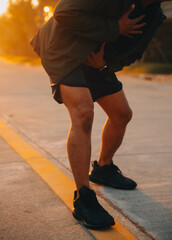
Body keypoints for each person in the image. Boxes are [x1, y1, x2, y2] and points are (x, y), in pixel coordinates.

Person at [30, 0, 167, 229]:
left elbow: (132, 52)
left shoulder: (154, 14)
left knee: (122, 114)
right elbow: (63, 12)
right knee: (83, 112)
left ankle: (103, 169)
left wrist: (103, 65)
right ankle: (84, 198)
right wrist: (115, 28)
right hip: (65, 49)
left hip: (96, 60)